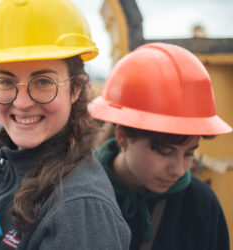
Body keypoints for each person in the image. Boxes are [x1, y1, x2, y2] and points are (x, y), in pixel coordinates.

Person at [0, 0, 131, 249]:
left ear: (76, 89)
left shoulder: (82, 208)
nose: (22, 102)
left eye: (42, 82)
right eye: (7, 82)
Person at [89, 43, 232, 250]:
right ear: (123, 137)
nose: (179, 170)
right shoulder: (81, 196)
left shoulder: (202, 205)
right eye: (165, 152)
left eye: (189, 154)